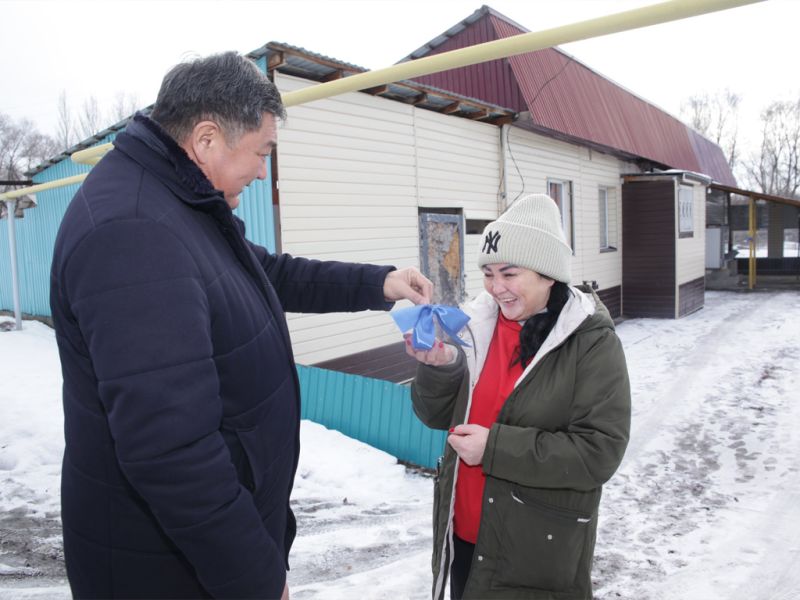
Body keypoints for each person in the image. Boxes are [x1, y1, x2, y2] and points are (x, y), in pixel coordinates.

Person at [50, 51, 432, 600]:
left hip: (189, 555)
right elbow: (171, 451)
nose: (261, 171)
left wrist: (380, 282)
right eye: (261, 153)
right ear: (207, 139)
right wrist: (252, 576)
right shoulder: (134, 234)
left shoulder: (176, 202)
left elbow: (266, 272)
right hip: (165, 569)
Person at [406, 193, 631, 600]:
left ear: (547, 273)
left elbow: (599, 452)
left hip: (534, 552)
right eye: (488, 273)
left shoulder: (590, 342)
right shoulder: (477, 325)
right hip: (463, 538)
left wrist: (495, 448)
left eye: (509, 274)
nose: (495, 288)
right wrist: (440, 368)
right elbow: (435, 416)